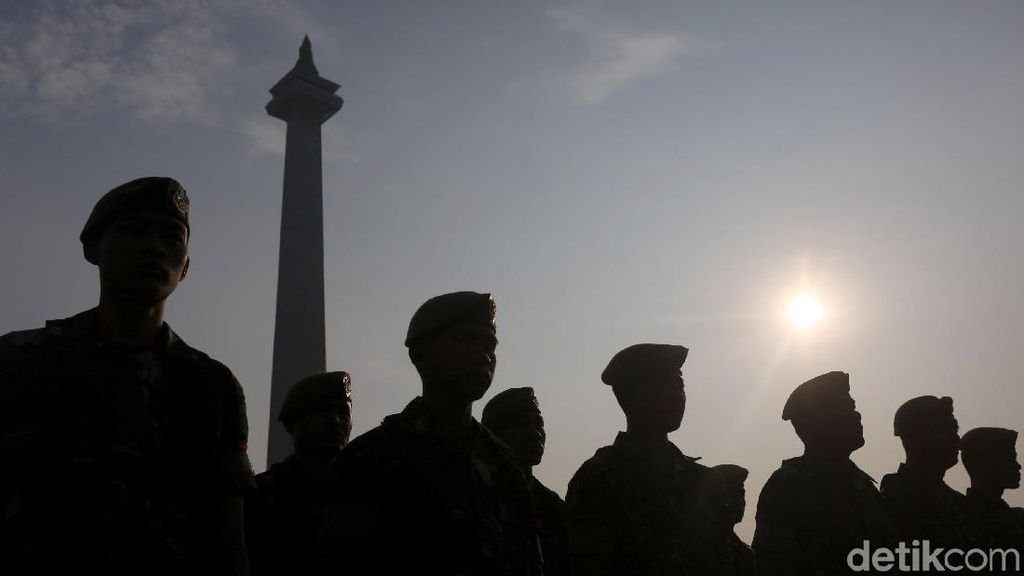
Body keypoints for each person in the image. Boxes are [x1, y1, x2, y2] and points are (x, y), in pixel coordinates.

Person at [0, 177, 254, 576]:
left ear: (185, 266)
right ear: (93, 248)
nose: (154, 246)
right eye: (134, 229)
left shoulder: (213, 386)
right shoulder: (17, 360)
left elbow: (226, 535)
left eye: (172, 235)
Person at [319, 292, 541, 575]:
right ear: (419, 357)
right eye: (463, 339)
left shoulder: (506, 465)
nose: (482, 354)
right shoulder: (371, 460)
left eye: (489, 344)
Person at [566, 343, 713, 576]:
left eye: (680, 384)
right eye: (665, 384)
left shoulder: (699, 478)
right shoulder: (600, 476)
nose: (677, 394)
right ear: (633, 396)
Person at [752, 371, 895, 576]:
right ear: (816, 423)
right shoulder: (788, 487)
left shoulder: (864, 487)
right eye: (844, 409)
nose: (856, 415)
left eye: (853, 408)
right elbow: (771, 565)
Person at [246, 371, 353, 576]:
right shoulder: (258, 495)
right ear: (291, 422)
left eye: (342, 411)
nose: (335, 421)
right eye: (323, 412)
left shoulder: (370, 490)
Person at [482, 387, 569, 576]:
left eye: (539, 424)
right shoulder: (478, 496)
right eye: (522, 424)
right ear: (495, 434)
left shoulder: (552, 506)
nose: (536, 434)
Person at [880, 395, 976, 549]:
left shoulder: (957, 502)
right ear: (917, 437)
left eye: (955, 430)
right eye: (944, 430)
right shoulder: (896, 499)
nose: (956, 440)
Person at [960, 427, 1024, 555]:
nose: (1018, 465)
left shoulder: (1017, 517)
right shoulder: (960, 516)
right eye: (1009, 458)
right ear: (984, 463)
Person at [693, 465, 756, 576]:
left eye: (741, 494)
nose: (739, 501)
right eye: (731, 494)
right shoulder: (695, 547)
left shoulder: (743, 553)